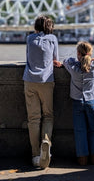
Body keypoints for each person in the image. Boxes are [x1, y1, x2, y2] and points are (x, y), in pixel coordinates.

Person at [62, 41, 94, 166]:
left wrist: (77, 59)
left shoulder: (73, 68)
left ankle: (82, 158)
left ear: (78, 53)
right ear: (90, 53)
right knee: (93, 129)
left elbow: (66, 60)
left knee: (80, 130)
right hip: (91, 101)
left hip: (77, 101)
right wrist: (92, 59)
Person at [23, 15, 60, 169]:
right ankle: (46, 142)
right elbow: (55, 59)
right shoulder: (52, 39)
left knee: (33, 119)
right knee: (48, 116)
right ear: (50, 27)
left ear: (36, 26)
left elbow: (27, 57)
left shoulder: (29, 39)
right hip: (46, 81)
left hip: (30, 80)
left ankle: (35, 154)